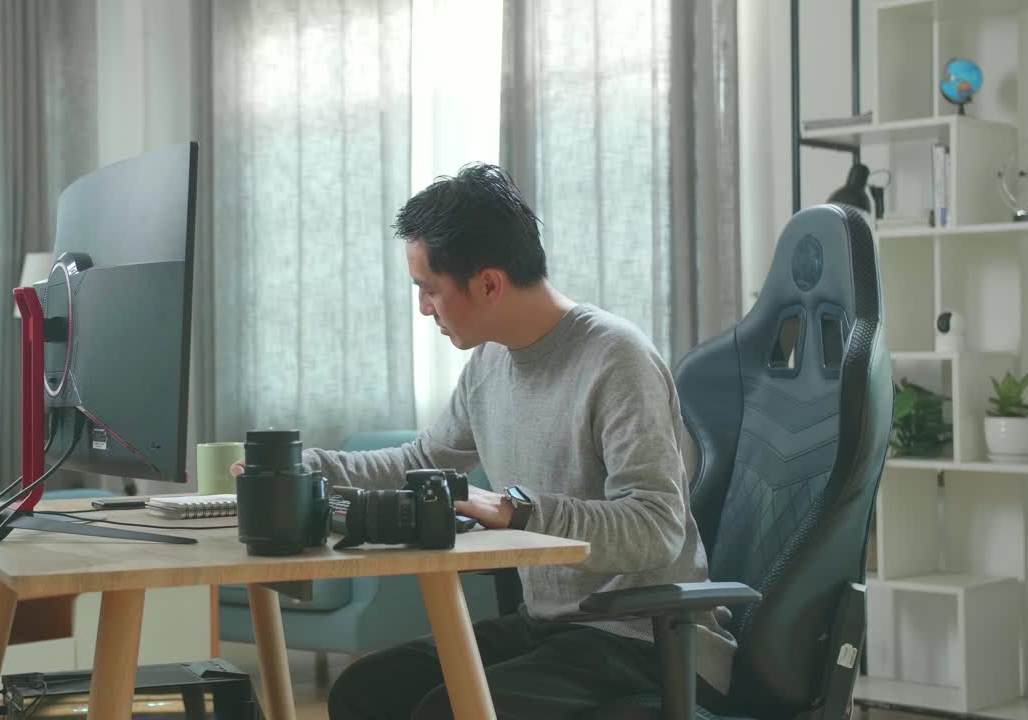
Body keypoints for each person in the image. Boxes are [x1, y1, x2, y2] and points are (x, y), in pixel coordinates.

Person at [233, 163, 736, 719]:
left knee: (445, 713)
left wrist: (521, 512)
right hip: (552, 626)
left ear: (489, 283)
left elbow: (656, 526)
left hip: (644, 639)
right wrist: (304, 468)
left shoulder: (616, 359)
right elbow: (422, 459)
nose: (424, 308)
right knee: (365, 692)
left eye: (430, 290)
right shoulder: (489, 362)